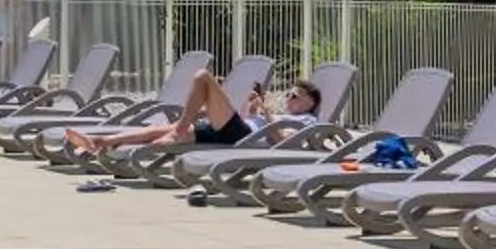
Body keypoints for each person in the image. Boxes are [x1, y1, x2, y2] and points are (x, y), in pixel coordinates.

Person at [63, 71, 323, 164]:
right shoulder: (281, 115)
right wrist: (253, 109)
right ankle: (102, 141)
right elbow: (256, 123)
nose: (290, 98)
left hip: (242, 136)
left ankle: (181, 128)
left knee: (202, 78)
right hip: (239, 131)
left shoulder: (309, 122)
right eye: (289, 94)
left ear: (312, 103)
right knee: (162, 129)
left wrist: (265, 113)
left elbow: (283, 140)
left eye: (296, 96)